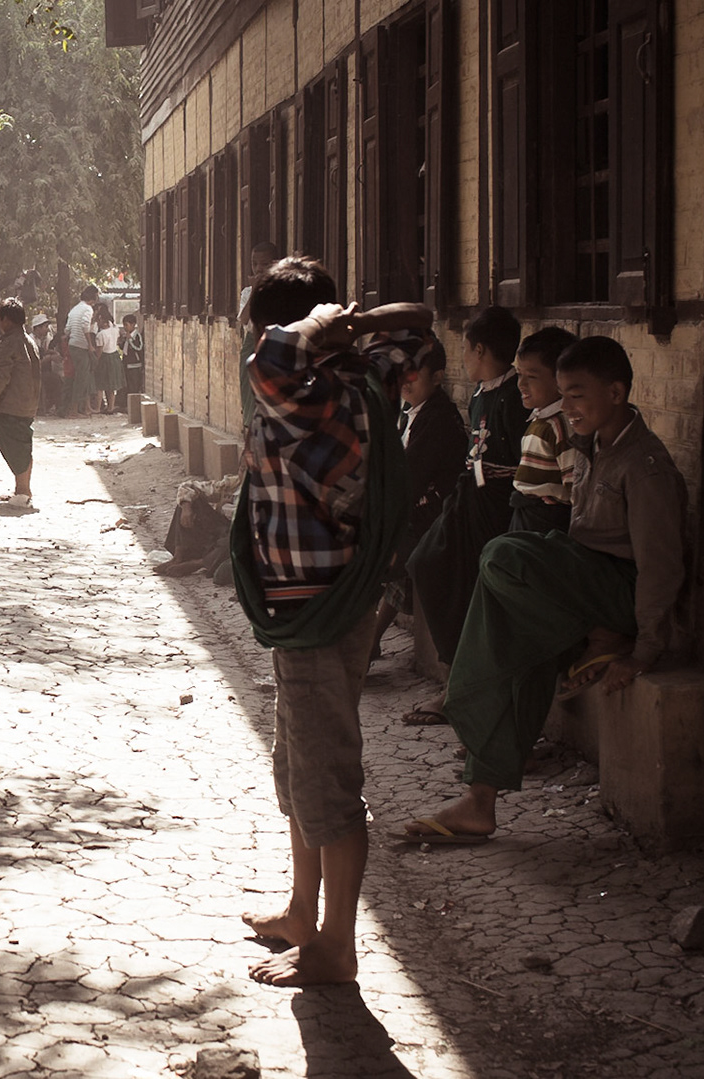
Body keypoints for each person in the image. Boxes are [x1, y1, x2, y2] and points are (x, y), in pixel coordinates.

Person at [227, 257, 439, 987]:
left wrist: (320, 328)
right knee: (298, 768)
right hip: (317, 606)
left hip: (320, 608)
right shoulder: (364, 377)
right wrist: (347, 326)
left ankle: (335, 947)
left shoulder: (311, 395)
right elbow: (413, 326)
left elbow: (273, 357)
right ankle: (300, 911)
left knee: (326, 782)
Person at [401, 337, 688, 843]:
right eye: (564, 395)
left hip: (615, 597)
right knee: (520, 650)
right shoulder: (592, 446)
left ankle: (476, 695)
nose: (568, 407)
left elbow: (660, 567)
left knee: (503, 554)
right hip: (582, 592)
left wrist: (642, 649)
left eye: (578, 395)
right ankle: (479, 801)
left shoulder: (644, 466)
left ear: (617, 392)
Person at [401, 306, 529, 722]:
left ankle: (465, 688)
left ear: (478, 349)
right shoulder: (479, 394)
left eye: (465, 351)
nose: (462, 360)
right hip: (467, 500)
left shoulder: (514, 397)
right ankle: (453, 671)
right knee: (424, 563)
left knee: (472, 591)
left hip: (495, 508)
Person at [368, 334, 470, 663]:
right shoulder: (410, 413)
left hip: (436, 515)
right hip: (412, 511)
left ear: (437, 377)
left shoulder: (438, 419)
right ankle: (367, 635)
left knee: (390, 549)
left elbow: (408, 479)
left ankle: (369, 637)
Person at [509, 327, 583, 533]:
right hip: (528, 514)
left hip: (547, 521)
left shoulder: (561, 425)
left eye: (531, 377)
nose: (521, 384)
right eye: (519, 374)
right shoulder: (541, 419)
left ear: (561, 380)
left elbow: (575, 489)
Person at [0, 300, 40, 509]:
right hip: (26, 402)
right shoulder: (28, 341)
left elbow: (1, 376)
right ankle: (21, 488)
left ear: (5, 319)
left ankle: (23, 490)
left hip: (10, 405)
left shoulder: (10, 343)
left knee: (16, 446)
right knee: (22, 445)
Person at [63, 285, 99, 418]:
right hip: (81, 346)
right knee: (81, 379)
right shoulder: (87, 309)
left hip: (73, 345)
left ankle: (82, 408)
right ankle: (75, 410)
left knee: (79, 377)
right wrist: (89, 345)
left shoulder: (74, 309)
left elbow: (67, 329)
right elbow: (85, 326)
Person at [93, 302, 122, 415]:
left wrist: (96, 362)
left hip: (104, 358)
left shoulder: (100, 335)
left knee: (100, 384)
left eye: (99, 320)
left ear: (103, 321)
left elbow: (99, 350)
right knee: (111, 384)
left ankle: (98, 407)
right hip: (114, 356)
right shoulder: (115, 330)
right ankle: (111, 407)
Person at [120, 312, 144, 407]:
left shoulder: (137, 336)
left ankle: (134, 406)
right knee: (127, 385)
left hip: (134, 365)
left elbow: (139, 348)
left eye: (126, 325)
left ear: (133, 324)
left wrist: (130, 340)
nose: (125, 327)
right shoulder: (127, 335)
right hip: (126, 363)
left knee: (134, 385)